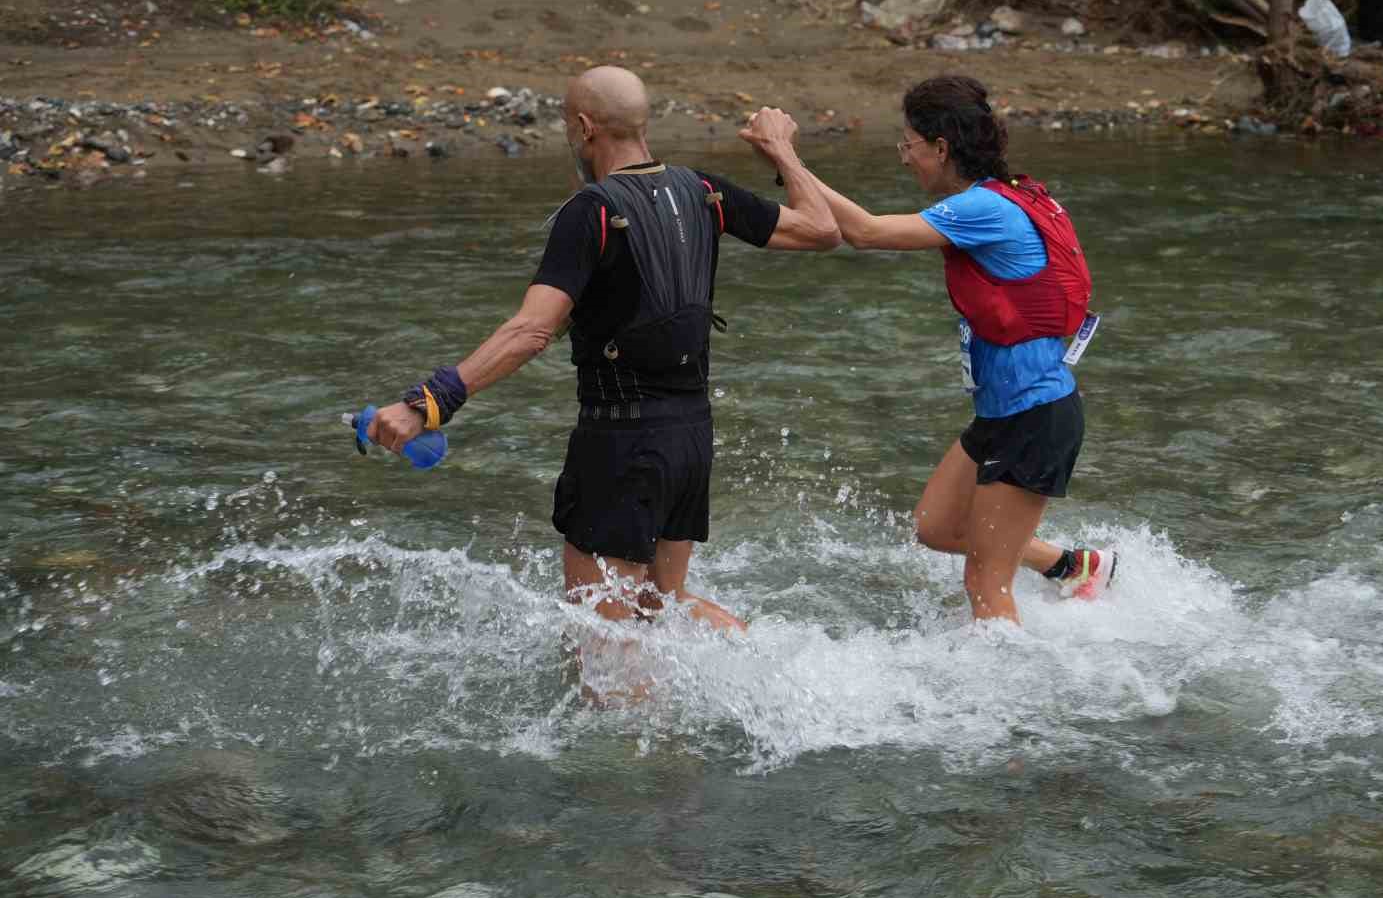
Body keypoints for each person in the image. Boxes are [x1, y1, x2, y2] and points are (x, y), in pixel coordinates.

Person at [362, 66, 840, 643]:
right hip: (690, 436)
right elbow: (821, 227)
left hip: (621, 439)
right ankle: (774, 678)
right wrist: (782, 152)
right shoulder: (703, 190)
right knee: (662, 604)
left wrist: (428, 403)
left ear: (585, 127)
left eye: (569, 125)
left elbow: (528, 332)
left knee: (607, 645)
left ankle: (644, 725)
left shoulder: (589, 212)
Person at [771, 74, 1115, 625]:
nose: (904, 158)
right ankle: (1074, 567)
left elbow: (865, 232)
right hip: (1008, 412)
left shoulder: (987, 209)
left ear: (941, 147)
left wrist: (786, 156)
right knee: (936, 527)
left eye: (907, 145)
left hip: (1036, 414)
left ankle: (1003, 705)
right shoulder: (1004, 198)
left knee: (984, 580)